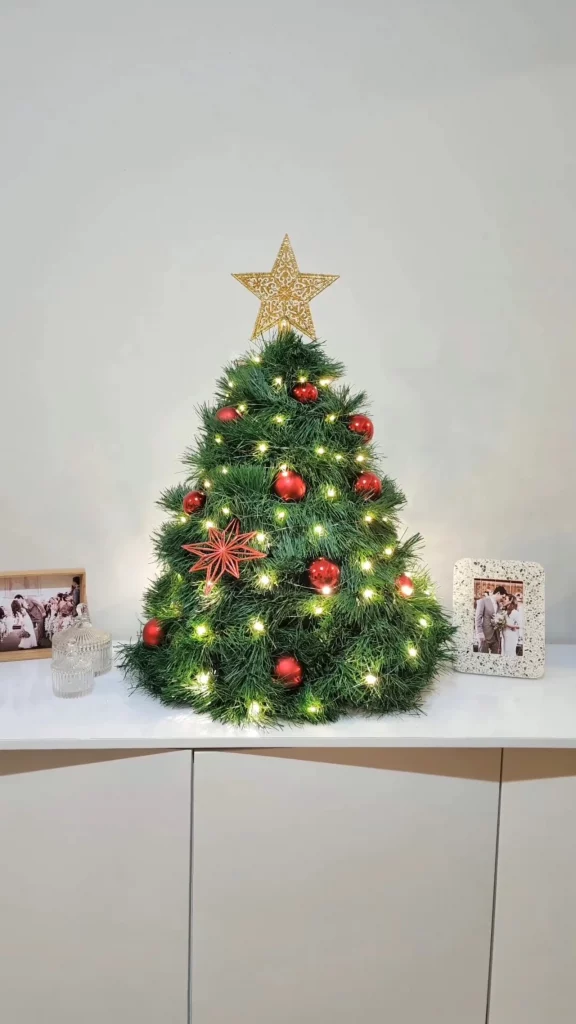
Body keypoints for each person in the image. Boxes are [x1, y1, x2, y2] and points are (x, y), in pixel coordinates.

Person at [475, 585, 508, 654]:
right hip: (485, 635)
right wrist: (480, 633)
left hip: (496, 636)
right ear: (498, 593)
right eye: (503, 597)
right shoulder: (483, 601)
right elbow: (478, 618)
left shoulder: (499, 605)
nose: (503, 599)